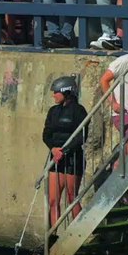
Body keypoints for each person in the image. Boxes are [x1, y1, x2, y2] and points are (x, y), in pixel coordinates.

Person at [42, 76, 87, 226]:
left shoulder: (79, 111)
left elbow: (82, 135)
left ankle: (79, 232)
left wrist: (65, 150)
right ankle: (53, 235)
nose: (53, 95)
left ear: (66, 92)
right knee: (53, 199)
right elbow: (46, 134)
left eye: (56, 92)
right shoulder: (53, 111)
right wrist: (54, 149)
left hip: (73, 157)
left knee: (71, 197)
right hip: (56, 158)